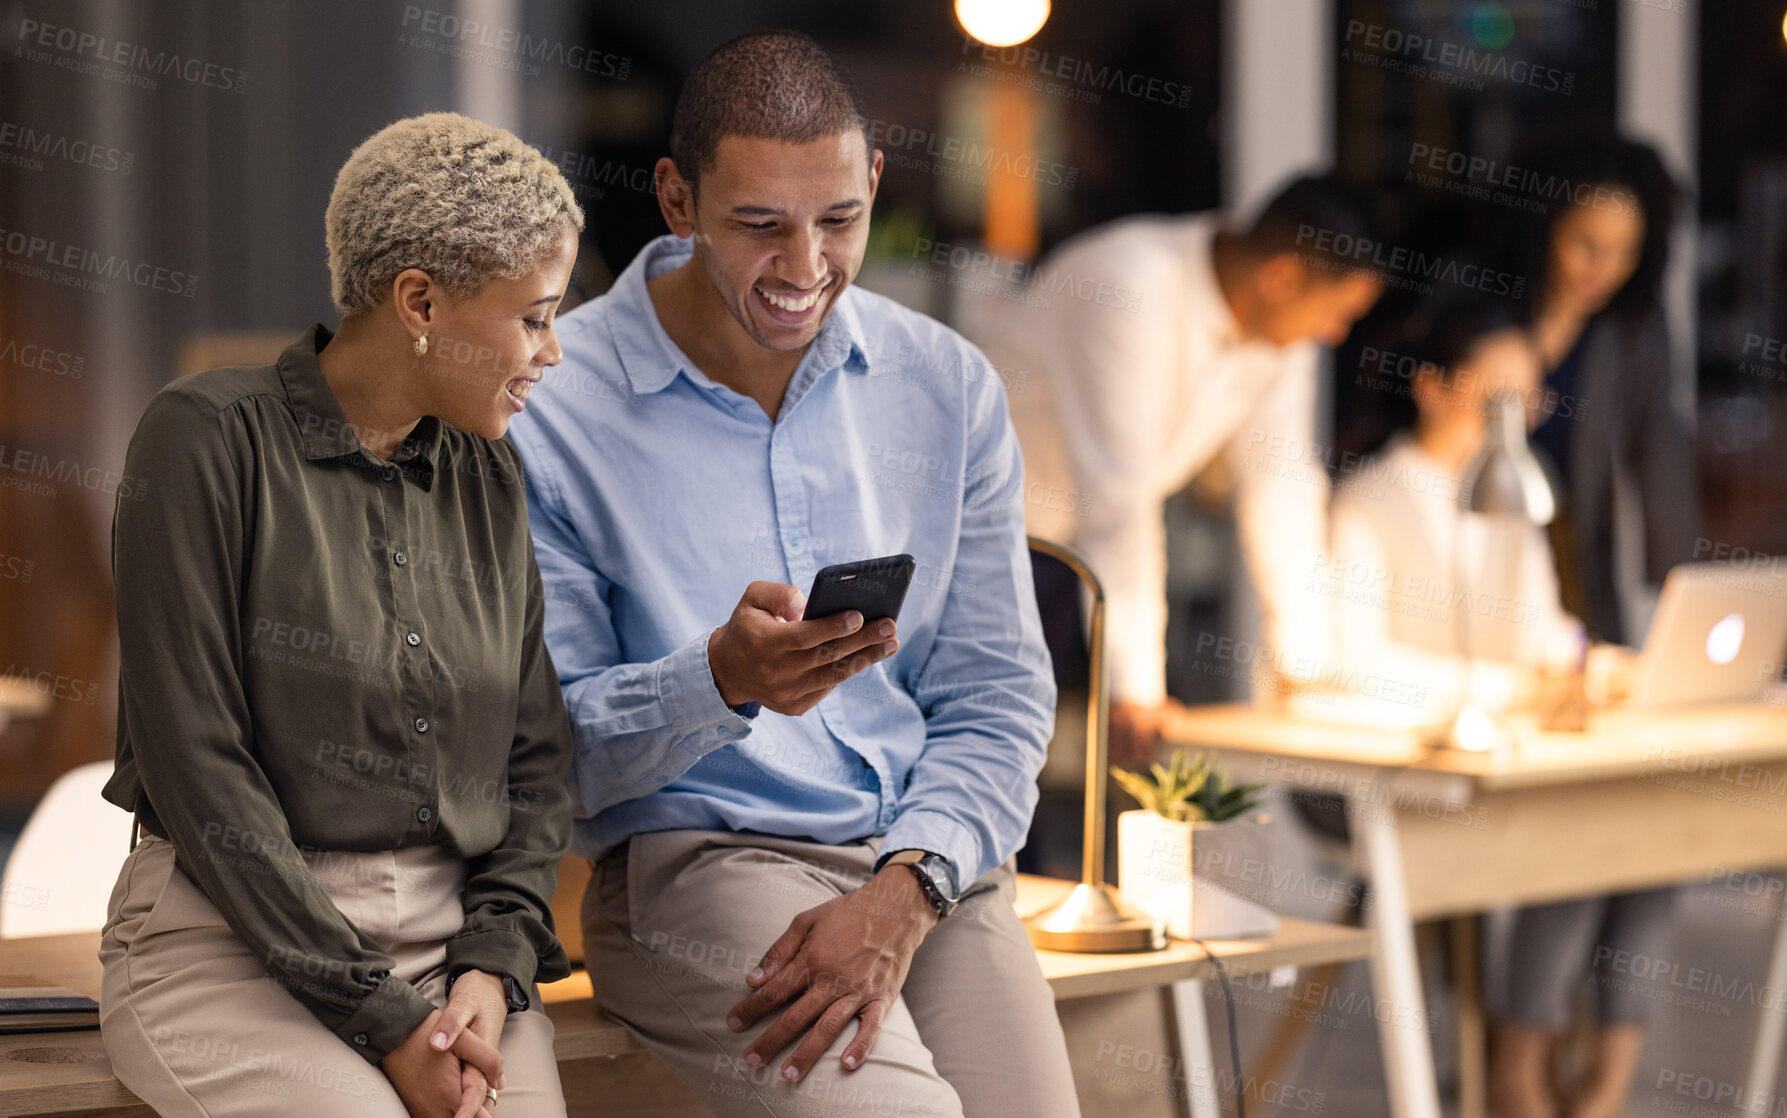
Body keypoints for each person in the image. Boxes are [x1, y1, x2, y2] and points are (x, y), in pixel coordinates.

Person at [505, 31, 1077, 1118]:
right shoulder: (554, 414)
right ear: (677, 199)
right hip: (705, 863)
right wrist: (717, 679)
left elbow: (994, 694)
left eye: (837, 220)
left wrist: (909, 885)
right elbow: (549, 756)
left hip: (925, 859)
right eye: (760, 225)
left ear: (870, 181)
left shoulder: (943, 384)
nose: (805, 268)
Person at [99, 112, 582, 1118]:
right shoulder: (203, 441)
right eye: (533, 316)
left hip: (454, 956)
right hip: (229, 940)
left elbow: (534, 761)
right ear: (418, 300)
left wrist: (490, 963)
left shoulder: (488, 474)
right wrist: (384, 1019)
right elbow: (199, 770)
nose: (553, 351)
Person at [971, 175, 1385, 760]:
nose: (1333, 334)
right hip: (964, 544)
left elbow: (1283, 484)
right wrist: (1138, 690)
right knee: (978, 765)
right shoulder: (1130, 284)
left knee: (1016, 767)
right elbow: (1120, 498)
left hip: (1059, 551)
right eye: (1335, 314)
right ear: (1282, 276)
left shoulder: (1277, 333)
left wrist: (1304, 660)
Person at [1481, 132, 1700, 1118]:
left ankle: (1604, 1080)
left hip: (1588, 600)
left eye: (1620, 250)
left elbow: (1659, 476)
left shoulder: (1635, 332)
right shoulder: (1487, 324)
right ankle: (1517, 1066)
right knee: (1572, 835)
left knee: (1652, 830)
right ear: (1546, 228)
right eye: (1582, 244)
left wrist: (1681, 609)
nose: (1598, 269)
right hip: (1490, 605)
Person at [1326, 298, 1593, 728]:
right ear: (1432, 389)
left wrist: (1583, 662)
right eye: (1501, 401)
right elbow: (1359, 662)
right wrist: (1511, 688)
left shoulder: (1512, 495)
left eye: (1531, 400)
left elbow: (1541, 627)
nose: (1519, 421)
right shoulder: (1367, 503)